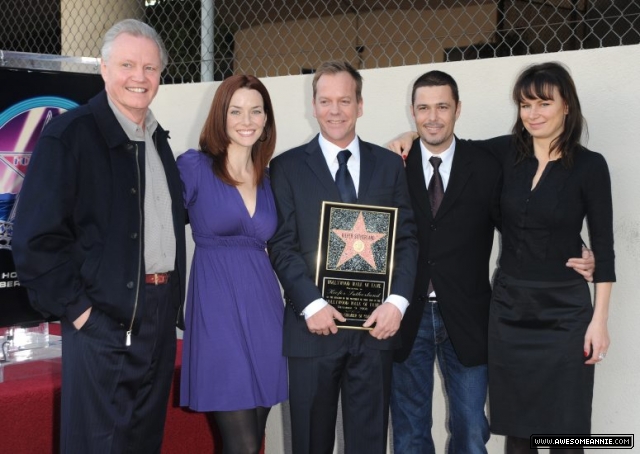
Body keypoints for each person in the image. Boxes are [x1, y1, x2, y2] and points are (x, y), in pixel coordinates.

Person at [11, 19, 186, 454]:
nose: (139, 78)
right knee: (97, 444)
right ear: (104, 70)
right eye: (128, 64)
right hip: (100, 320)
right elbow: (34, 239)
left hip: (159, 318)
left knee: (144, 440)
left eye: (150, 68)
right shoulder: (69, 136)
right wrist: (81, 313)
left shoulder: (158, 139)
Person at [268, 61, 418, 454]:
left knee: (368, 445)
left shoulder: (389, 165)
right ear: (313, 106)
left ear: (360, 105)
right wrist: (311, 304)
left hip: (375, 329)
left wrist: (397, 304)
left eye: (345, 101)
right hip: (311, 330)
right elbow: (281, 244)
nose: (335, 110)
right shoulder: (284, 168)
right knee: (309, 444)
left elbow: (407, 239)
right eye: (326, 101)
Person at [487, 62, 614, 453]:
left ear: (567, 108)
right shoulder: (504, 154)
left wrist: (599, 322)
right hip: (509, 309)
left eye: (544, 103)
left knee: (566, 428)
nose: (533, 114)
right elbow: (448, 147)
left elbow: (605, 247)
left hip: (565, 312)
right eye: (525, 105)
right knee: (519, 428)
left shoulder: (590, 166)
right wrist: (407, 137)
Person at [390, 70, 500, 454]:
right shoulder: (393, 165)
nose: (432, 116)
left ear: (458, 109)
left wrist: (578, 246)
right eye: (423, 107)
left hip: (468, 317)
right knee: (409, 431)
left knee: (471, 430)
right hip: (406, 316)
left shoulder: (486, 165)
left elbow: (523, 224)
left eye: (442, 106)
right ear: (412, 111)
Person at [177, 74, 287, 454]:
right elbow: (158, 227)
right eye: (236, 110)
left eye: (256, 111)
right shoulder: (194, 167)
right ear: (220, 116)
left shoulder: (271, 179)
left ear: (266, 120)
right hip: (216, 312)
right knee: (239, 443)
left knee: (254, 437)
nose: (247, 120)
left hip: (266, 312)